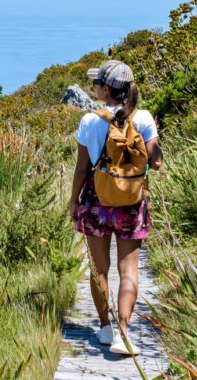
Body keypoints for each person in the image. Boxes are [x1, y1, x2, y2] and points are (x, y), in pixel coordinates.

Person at [69, 60, 162, 356]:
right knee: (129, 271)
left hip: (97, 202)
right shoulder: (144, 118)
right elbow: (156, 162)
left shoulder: (90, 120)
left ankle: (105, 328)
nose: (94, 87)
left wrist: (74, 201)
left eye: (97, 84)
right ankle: (124, 332)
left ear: (106, 89)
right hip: (132, 203)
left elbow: (82, 169)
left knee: (100, 269)